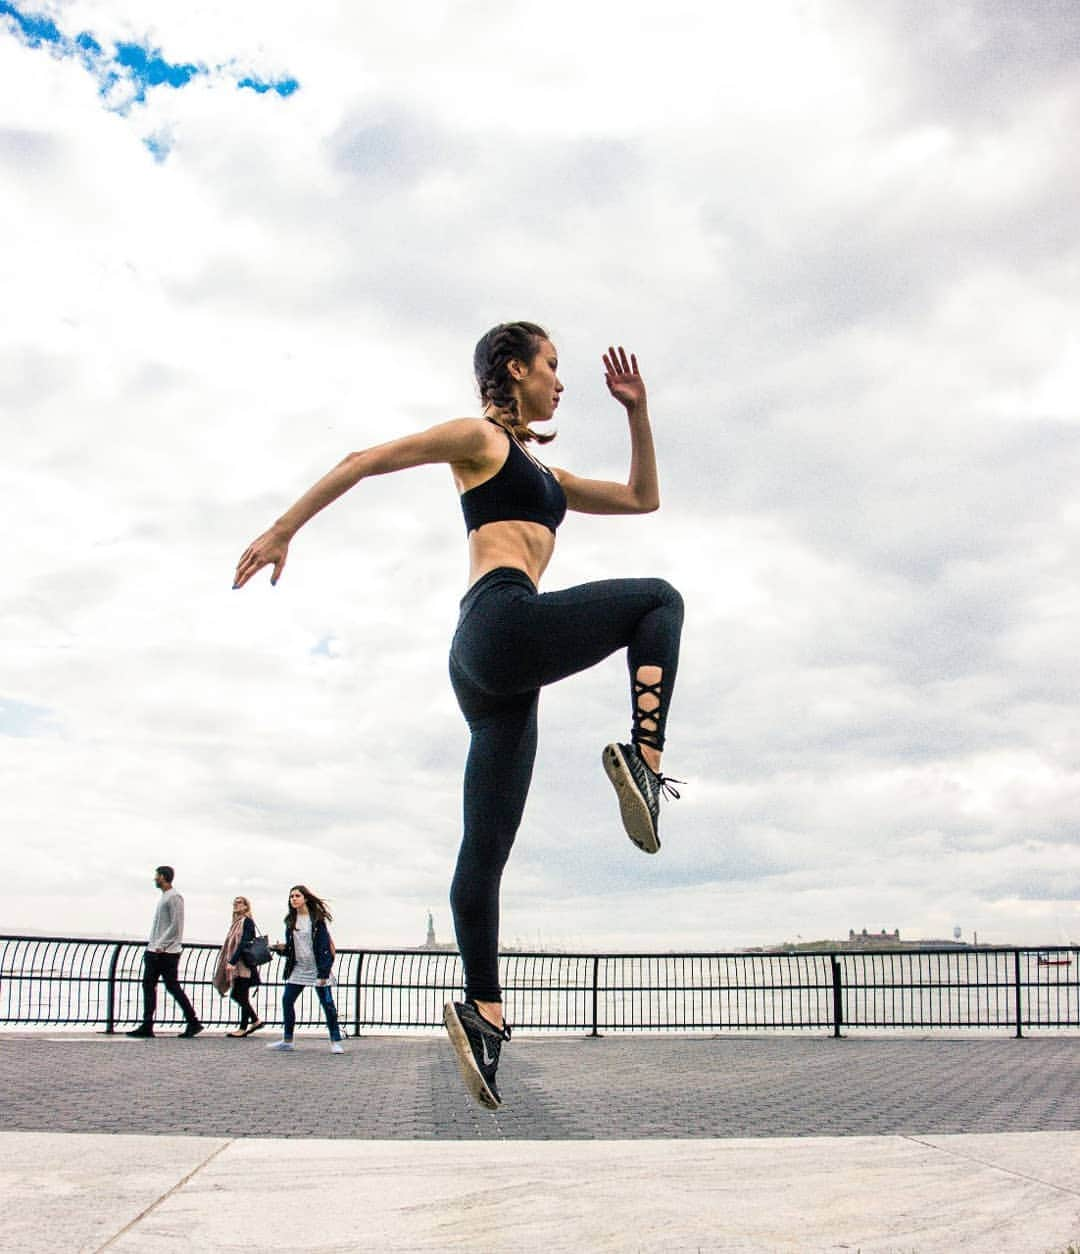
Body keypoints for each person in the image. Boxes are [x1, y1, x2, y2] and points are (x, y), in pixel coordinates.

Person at [234, 323, 683, 1107]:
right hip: (500, 621)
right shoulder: (477, 438)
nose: (561, 380)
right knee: (658, 602)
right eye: (551, 365)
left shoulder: (546, 472)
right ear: (515, 369)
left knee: (485, 854)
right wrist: (282, 530)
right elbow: (364, 461)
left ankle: (482, 1013)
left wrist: (637, 413)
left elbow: (644, 498)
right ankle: (644, 762)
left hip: (494, 669)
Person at [126, 865, 203, 1038]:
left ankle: (192, 1021)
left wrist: (160, 945)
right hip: (158, 950)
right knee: (157, 986)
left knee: (166, 986)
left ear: (163, 877)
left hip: (164, 952)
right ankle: (151, 1024)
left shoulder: (174, 897)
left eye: (157, 876)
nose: (155, 879)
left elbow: (176, 925)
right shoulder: (165, 897)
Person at [265, 885, 344, 1053]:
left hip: (317, 968)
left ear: (305, 898)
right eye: (291, 896)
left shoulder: (317, 920)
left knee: (327, 1005)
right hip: (298, 968)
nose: (293, 899)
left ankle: (335, 1041)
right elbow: (293, 948)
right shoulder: (290, 920)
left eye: (297, 896)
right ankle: (287, 1040)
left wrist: (323, 973)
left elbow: (324, 947)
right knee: (287, 1000)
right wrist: (281, 949)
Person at [213, 895, 265, 1037]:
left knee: (238, 995)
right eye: (235, 903)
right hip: (240, 964)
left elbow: (243, 943)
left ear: (246, 906)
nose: (236, 905)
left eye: (240, 903)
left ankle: (255, 1020)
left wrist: (232, 961)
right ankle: (243, 1028)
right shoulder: (236, 922)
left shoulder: (247, 922)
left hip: (244, 965)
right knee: (242, 995)